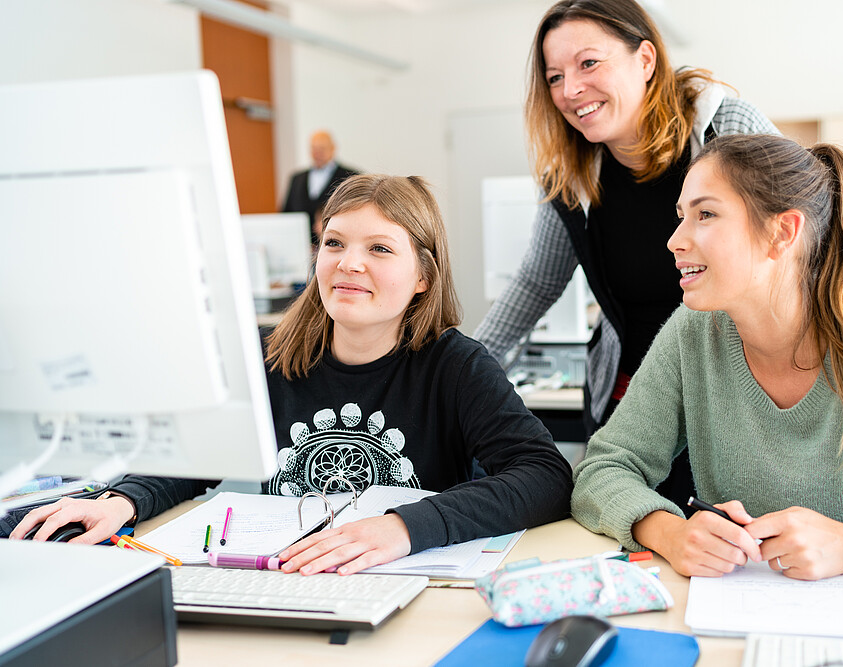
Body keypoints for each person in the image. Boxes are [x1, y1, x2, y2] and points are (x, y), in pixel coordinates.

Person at [12, 174, 573, 576]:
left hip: (405, 580)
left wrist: (404, 526)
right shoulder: (270, 357)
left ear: (423, 275)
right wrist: (123, 500)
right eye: (334, 243)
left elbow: (545, 475)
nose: (349, 263)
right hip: (280, 577)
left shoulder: (456, 365)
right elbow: (201, 458)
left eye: (379, 248)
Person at [571, 133, 843, 587]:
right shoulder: (694, 335)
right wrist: (671, 532)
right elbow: (603, 468)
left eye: (705, 214)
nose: (674, 241)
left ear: (783, 233)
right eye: (681, 217)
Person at [473, 0, 778, 511]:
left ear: (645, 60)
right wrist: (461, 376)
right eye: (554, 76)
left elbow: (803, 247)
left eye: (589, 63)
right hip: (633, 407)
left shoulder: (725, 128)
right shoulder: (573, 173)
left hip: (734, 398)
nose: (570, 90)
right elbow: (536, 284)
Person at [282, 130, 360, 246]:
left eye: (322, 149)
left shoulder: (351, 177)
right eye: (314, 149)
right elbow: (286, 213)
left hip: (335, 245)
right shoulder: (297, 178)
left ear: (333, 148)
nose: (317, 153)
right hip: (300, 246)